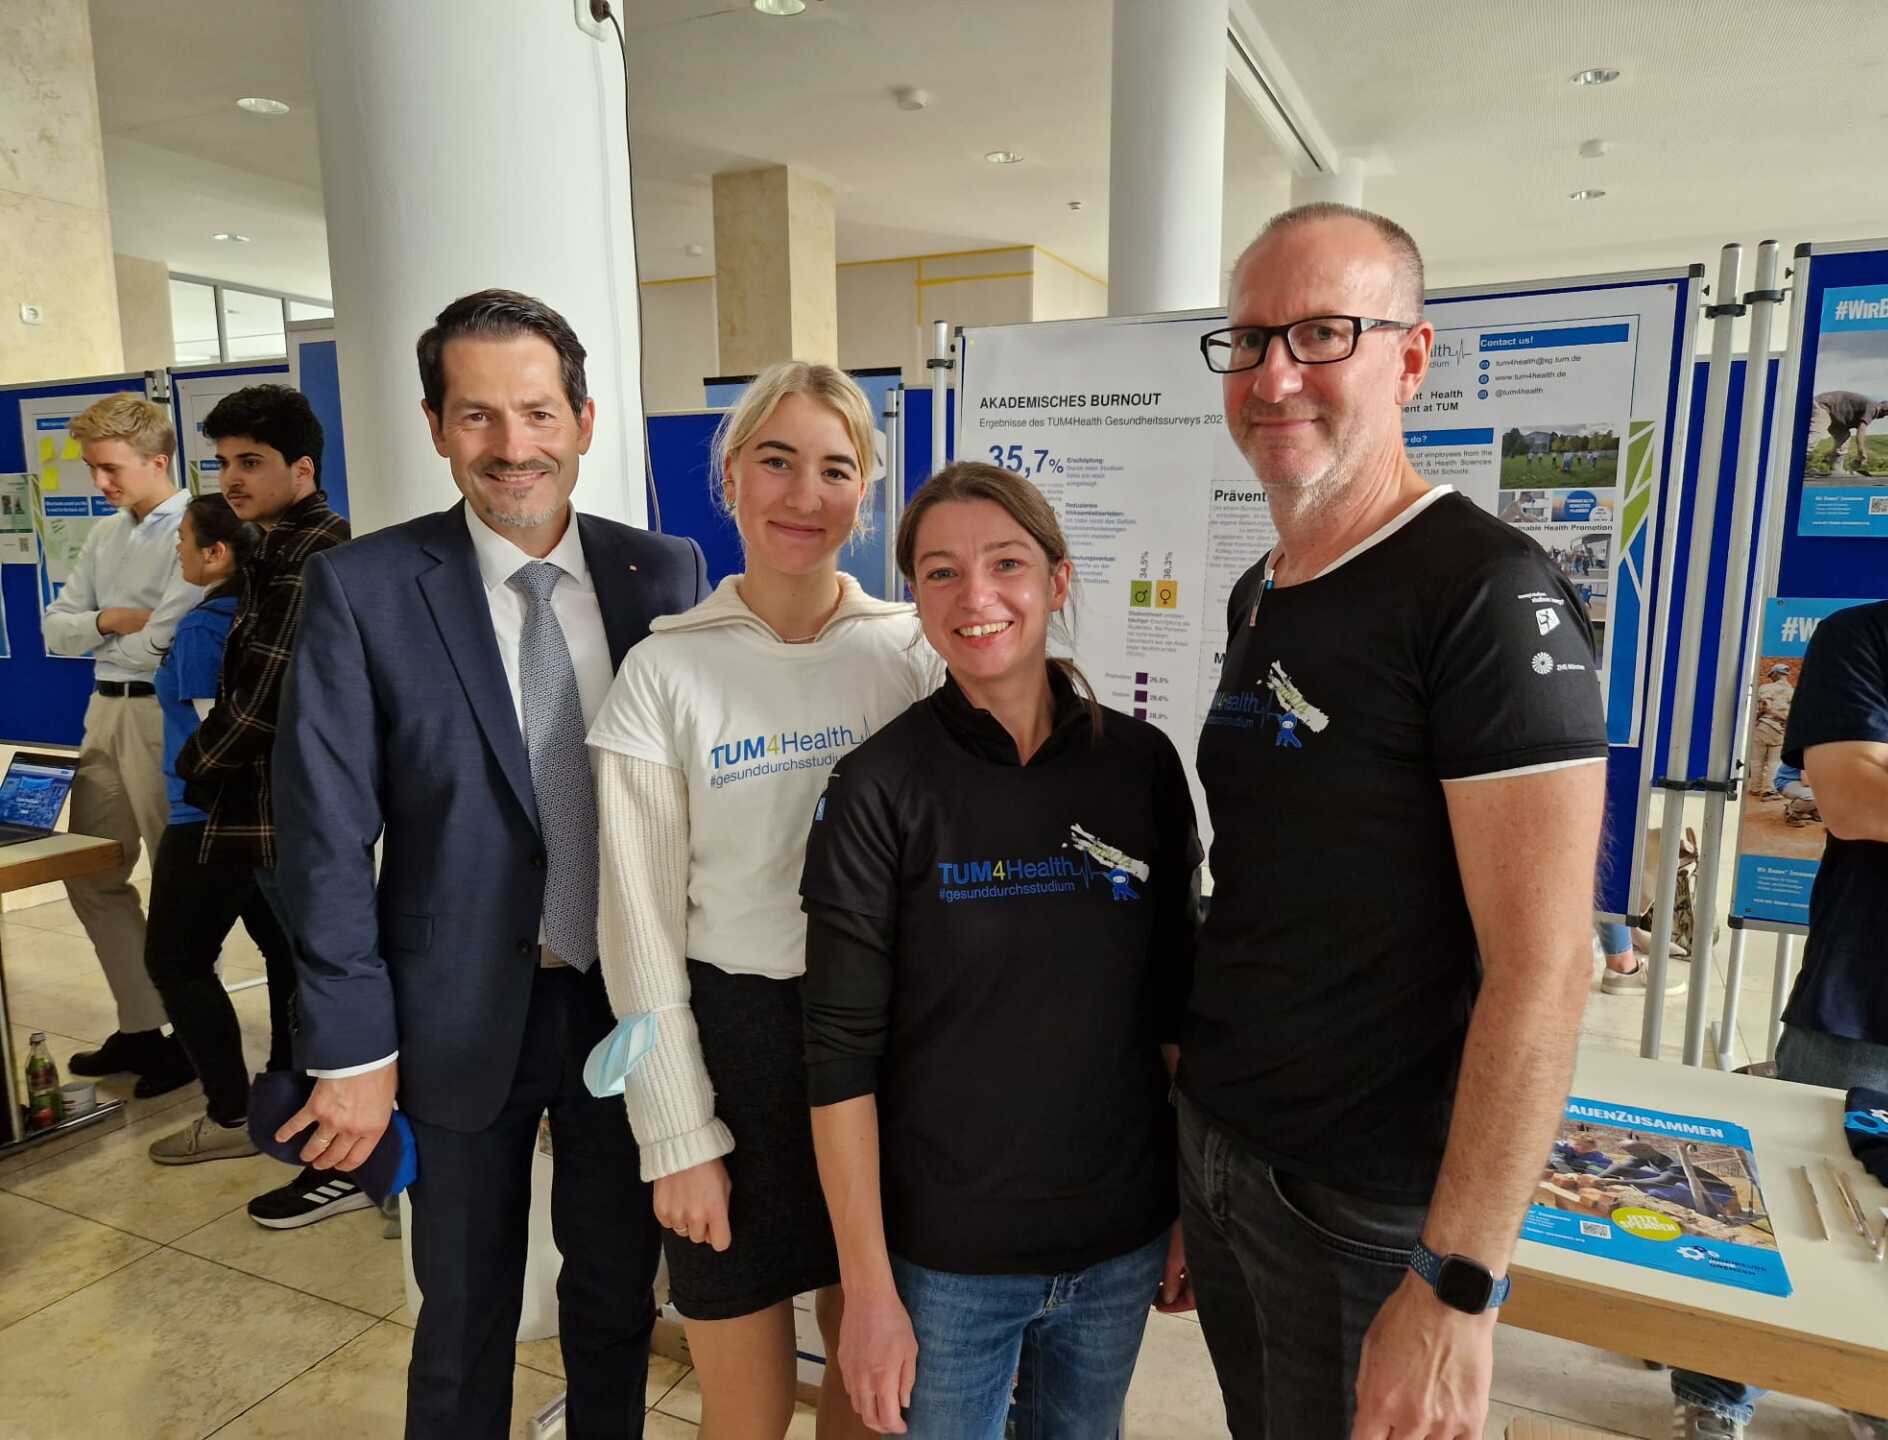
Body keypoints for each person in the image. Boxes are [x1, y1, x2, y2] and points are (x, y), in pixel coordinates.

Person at [1180, 202, 1608, 1438]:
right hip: (1227, 1152)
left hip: (1370, 1205)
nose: (1275, 377)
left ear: (1410, 359)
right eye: (1250, 339)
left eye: (1324, 333)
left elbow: (1547, 966)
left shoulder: (1484, 592)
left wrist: (1460, 1283)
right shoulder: (1260, 590)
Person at [271, 289, 707, 1438]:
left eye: (537, 411)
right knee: (463, 1314)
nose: (513, 446)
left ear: (584, 419)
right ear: (435, 426)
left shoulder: (665, 573)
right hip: (456, 1008)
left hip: (630, 1006)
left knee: (615, 1295)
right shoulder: (365, 588)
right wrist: (353, 1048)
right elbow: (322, 834)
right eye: (477, 415)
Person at [799, 462, 1200, 1437]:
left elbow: (1175, 1005)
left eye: (1007, 564)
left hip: (1118, 1243)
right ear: (917, 597)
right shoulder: (878, 787)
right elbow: (839, 1056)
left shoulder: (1141, 768)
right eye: (941, 572)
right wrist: (868, 1289)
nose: (975, 596)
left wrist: (1188, 1204)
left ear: (1058, 580)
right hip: (948, 1263)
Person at [586, 360, 938, 1439]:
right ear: (731, 476)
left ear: (866, 493)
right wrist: (676, 1134)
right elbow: (636, 930)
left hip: (887, 1051)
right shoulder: (663, 673)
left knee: (871, 1387)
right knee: (744, 1410)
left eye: (835, 469)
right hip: (730, 1050)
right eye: (777, 462)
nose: (803, 495)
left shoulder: (911, 654)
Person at [1670, 590, 1888, 1440]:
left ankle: (1883, 1394)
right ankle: (1715, 1394)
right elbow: (1854, 803)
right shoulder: (1870, 637)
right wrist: (1878, 779)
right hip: (1867, 1001)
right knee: (1778, 1212)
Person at [171, 384, 356, 1227]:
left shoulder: (314, 555)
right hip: (271, 807)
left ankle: (346, 1160)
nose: (232, 480)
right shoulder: (273, 548)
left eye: (251, 462)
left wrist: (196, 767)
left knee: (327, 982)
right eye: (223, 463)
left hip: (298, 810)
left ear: (302, 469)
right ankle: (328, 1143)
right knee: (305, 977)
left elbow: (266, 702)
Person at [44, 394, 202, 1097]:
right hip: (102, 713)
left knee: (179, 883)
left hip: (163, 716)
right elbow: (57, 630)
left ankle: (193, 1036)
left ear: (157, 461)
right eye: (92, 468)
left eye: (110, 468)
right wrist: (110, 620)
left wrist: (107, 631)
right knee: (90, 869)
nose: (99, 482)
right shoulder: (105, 535)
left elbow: (164, 643)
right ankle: (142, 1024)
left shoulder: (199, 528)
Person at [142, 495, 299, 1163]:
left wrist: (207, 803)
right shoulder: (265, 615)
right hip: (264, 817)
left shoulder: (208, 627)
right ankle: (289, 1098)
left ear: (217, 553)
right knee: (286, 957)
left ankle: (231, 1113)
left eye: (183, 539)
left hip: (209, 822)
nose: (177, 550)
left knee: (174, 961)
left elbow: (222, 737)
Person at [1808, 391, 1888, 476]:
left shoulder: (1869, 406)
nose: (1881, 418)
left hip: (1835, 417)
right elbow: (1861, 431)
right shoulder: (1873, 408)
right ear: (1885, 410)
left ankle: (1836, 469)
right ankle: (1800, 464)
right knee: (1816, 433)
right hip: (1823, 406)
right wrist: (1861, 452)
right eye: (1884, 415)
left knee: (1844, 437)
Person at [1751, 662, 1796, 796]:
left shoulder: (1766, 688)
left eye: (1772, 675)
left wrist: (1757, 719)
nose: (1771, 677)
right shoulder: (1793, 692)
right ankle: (1769, 790)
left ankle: (1755, 788)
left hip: (1763, 726)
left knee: (1756, 760)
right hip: (1780, 728)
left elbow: (1763, 706)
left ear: (1776, 674)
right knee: (1774, 762)